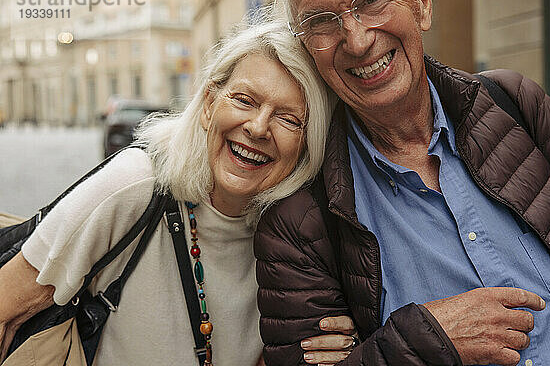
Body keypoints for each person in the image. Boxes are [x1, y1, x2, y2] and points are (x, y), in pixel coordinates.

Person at [254, 0, 550, 365]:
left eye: (372, 0)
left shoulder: (516, 106)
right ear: (306, 51)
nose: (357, 39)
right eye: (321, 22)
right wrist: (425, 338)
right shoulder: (299, 222)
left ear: (420, 1)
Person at [0, 21, 354, 366]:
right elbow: (5, 305)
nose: (258, 127)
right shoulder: (133, 186)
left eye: (289, 119)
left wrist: (325, 345)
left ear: (309, 142)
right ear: (208, 104)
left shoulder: (306, 238)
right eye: (245, 100)